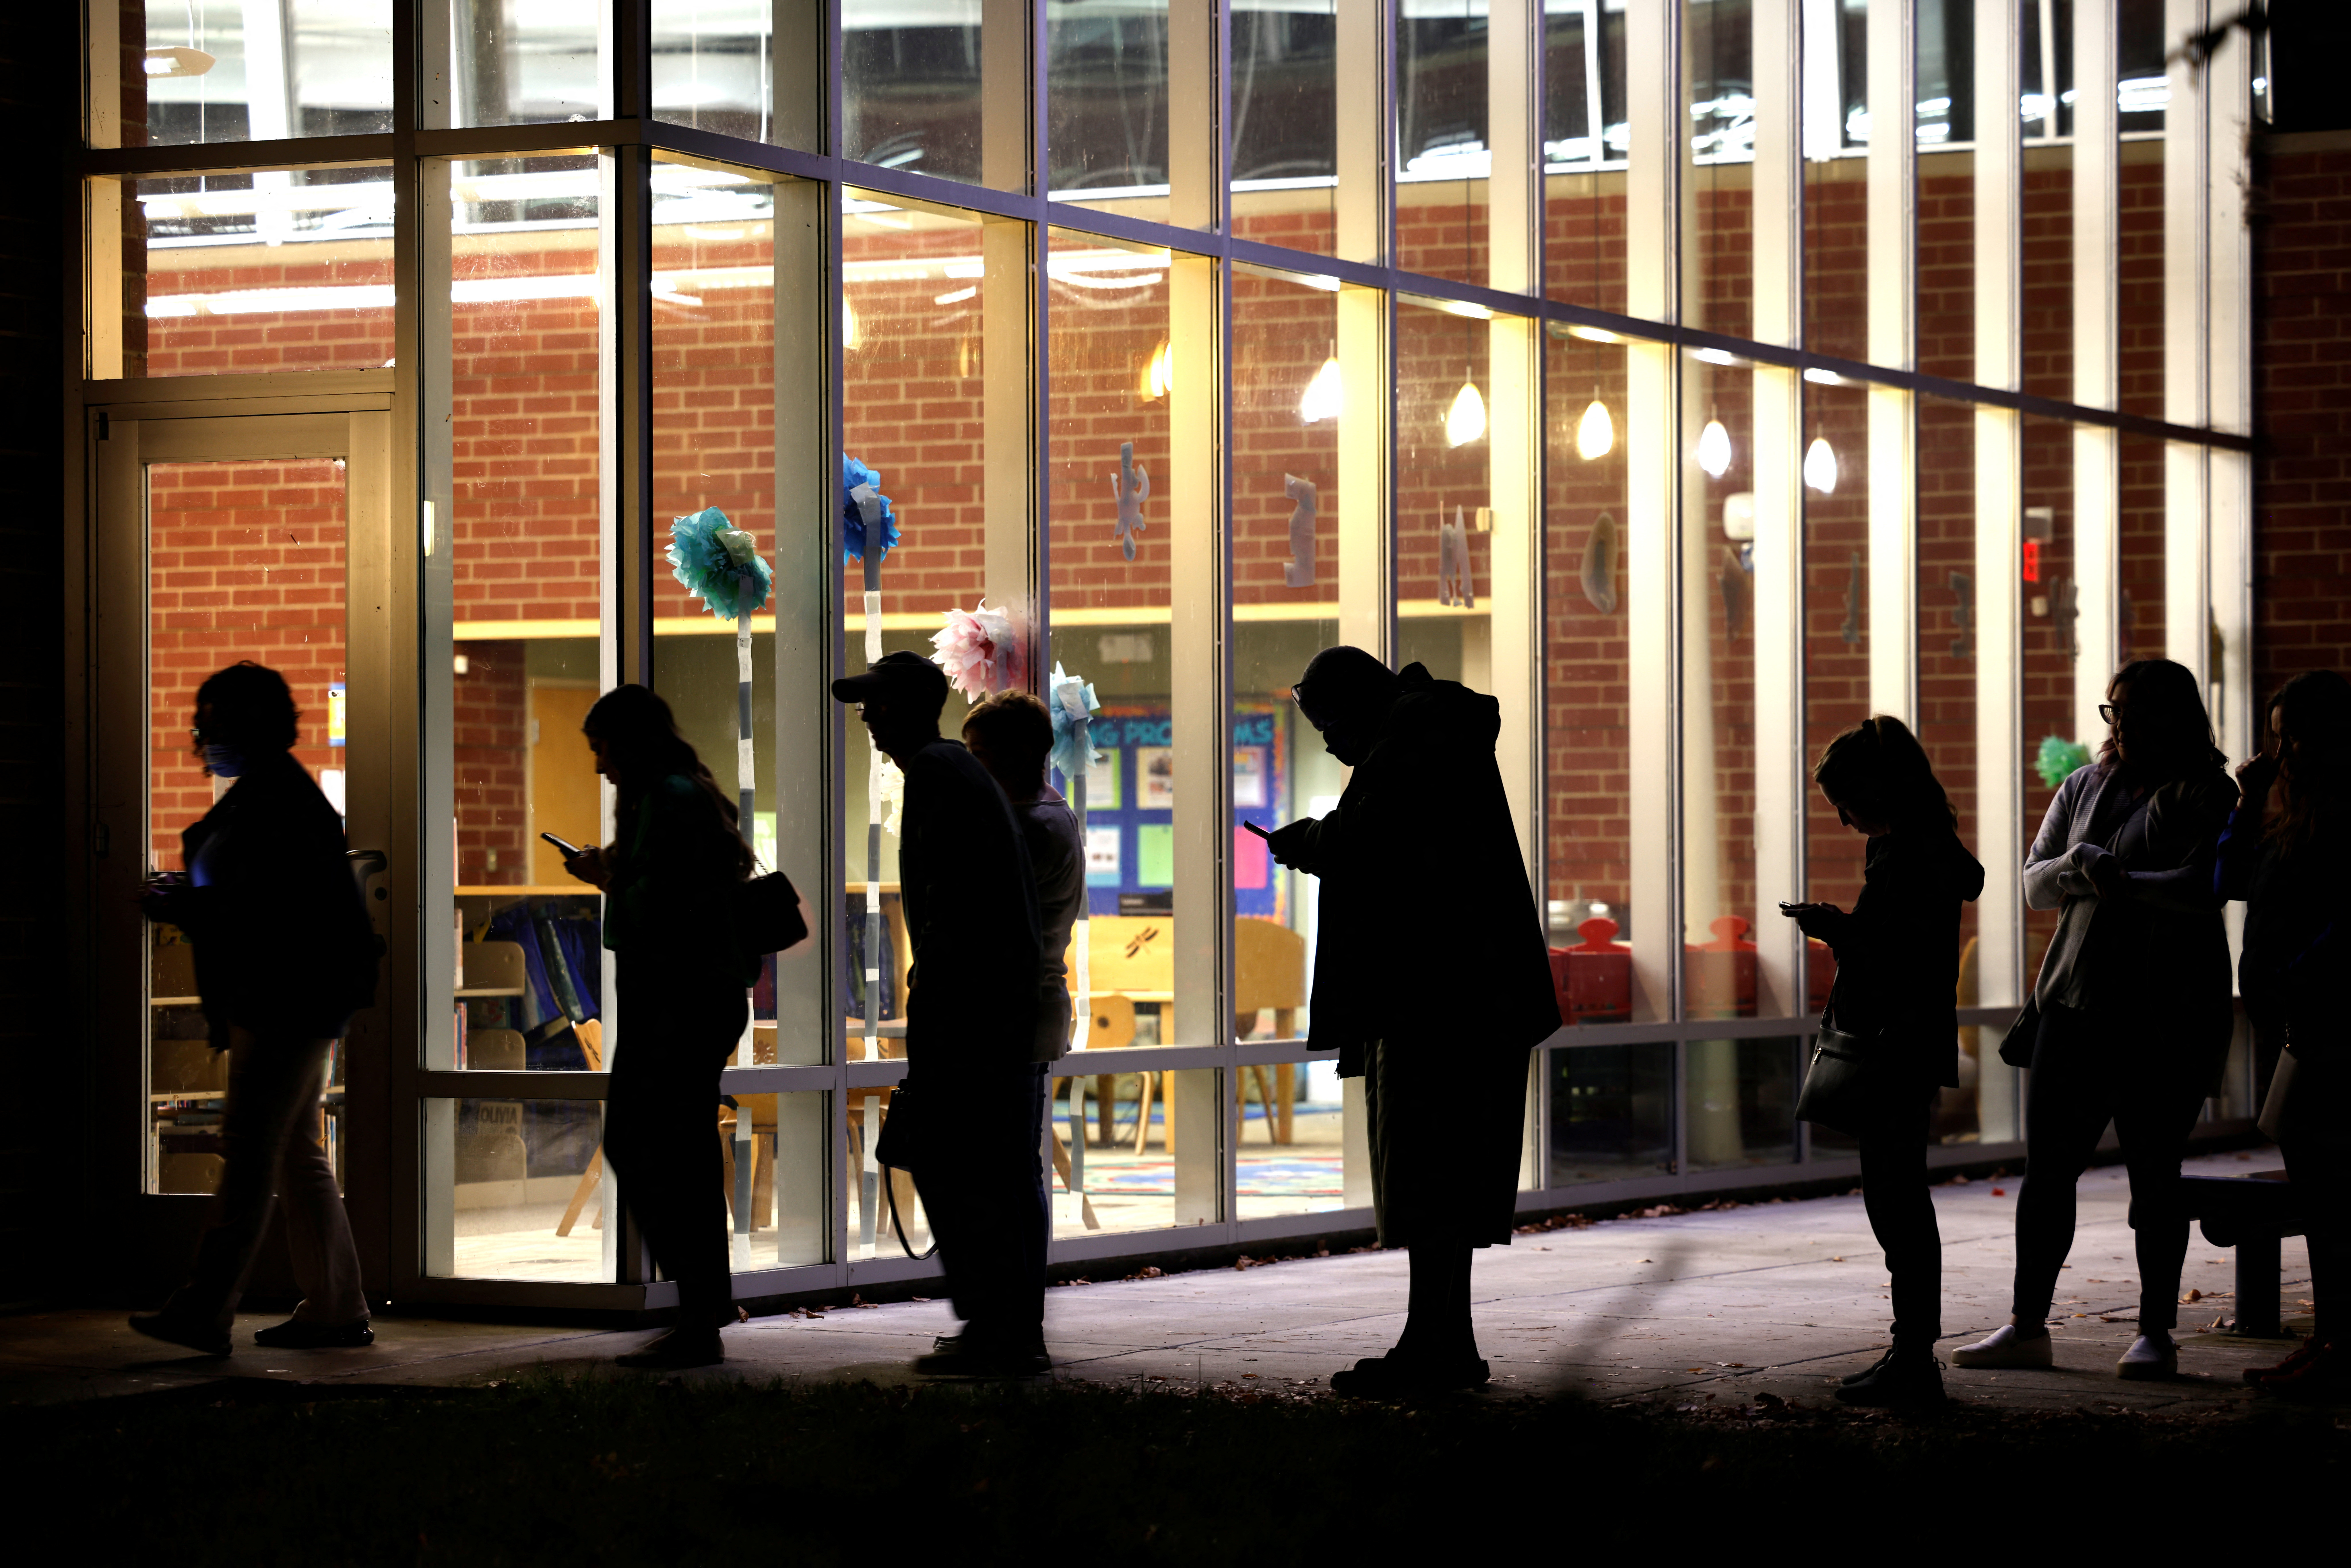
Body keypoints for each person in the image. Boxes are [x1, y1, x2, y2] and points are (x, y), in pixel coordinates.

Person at [1266, 647, 1561, 1398]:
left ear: (1357, 704)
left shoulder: (1414, 742)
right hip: (1462, 999)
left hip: (1436, 1004)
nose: (1328, 743)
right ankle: (1439, 1340)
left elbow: (1375, 846)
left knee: (1429, 1178)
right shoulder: (1435, 734)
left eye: (1327, 723)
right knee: (1441, 1184)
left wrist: (1306, 843)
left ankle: (1438, 1346)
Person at [1953, 658, 2238, 1379]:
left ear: (2179, 716)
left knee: (2155, 1174)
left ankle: (2154, 1330)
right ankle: (2026, 1323)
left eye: (2140, 710)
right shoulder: (2083, 784)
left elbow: (2205, 886)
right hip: (2074, 1006)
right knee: (2047, 1171)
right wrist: (2084, 865)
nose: (2123, 725)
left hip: (2164, 1014)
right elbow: (2032, 881)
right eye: (2114, 711)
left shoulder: (2208, 791)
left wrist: (2118, 881)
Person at [131, 663, 378, 1356]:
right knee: (296, 1150)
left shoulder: (274, 803)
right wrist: (198, 895)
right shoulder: (274, 796)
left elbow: (270, 909)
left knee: (248, 1150)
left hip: (281, 1002)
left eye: (211, 719)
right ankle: (337, 1304)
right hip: (293, 1000)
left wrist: (189, 903)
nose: (200, 734)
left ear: (246, 724)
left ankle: (205, 1308)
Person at [833, 652, 1047, 1375]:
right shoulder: (958, 771)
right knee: (990, 1170)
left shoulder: (934, 774)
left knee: (964, 1169)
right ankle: (1007, 1327)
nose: (864, 717)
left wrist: (935, 1014)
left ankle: (997, 1330)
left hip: (968, 1012)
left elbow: (950, 907)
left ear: (902, 710)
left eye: (874, 704)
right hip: (987, 1007)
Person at [1781, 717, 1984, 1406]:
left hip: (1893, 1041)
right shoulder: (1935, 847)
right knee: (1902, 1198)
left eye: (1848, 799)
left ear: (1880, 789)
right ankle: (1910, 1349)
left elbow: (1891, 956)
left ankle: (1912, 1354)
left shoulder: (1904, 855)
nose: (1843, 817)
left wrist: (1836, 928)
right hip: (1917, 1040)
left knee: (1895, 1201)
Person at [559, 684, 760, 1370]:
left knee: (649, 1145)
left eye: (604, 748)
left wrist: (606, 879)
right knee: (680, 1152)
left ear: (632, 741)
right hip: (692, 995)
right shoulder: (677, 793)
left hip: (682, 997)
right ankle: (702, 1305)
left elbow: (669, 901)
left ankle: (699, 1309)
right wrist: (610, 870)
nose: (599, 765)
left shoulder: (669, 797)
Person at [2216, 669, 2351, 1399]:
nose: (2285, 752)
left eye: (2294, 735)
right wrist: (2247, 799)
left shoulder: (2345, 814)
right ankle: (2331, 1336)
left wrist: (2300, 977)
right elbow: (2226, 882)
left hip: (2327, 1025)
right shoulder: (2283, 811)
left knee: (2335, 1192)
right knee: (2317, 1191)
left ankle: (2340, 1340)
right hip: (2288, 1021)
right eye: (2276, 738)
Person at [963, 692, 1086, 1061]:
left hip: (1014, 1015)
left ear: (1021, 753)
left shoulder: (1030, 826)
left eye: (980, 753)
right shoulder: (1046, 810)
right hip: (1027, 1011)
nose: (972, 766)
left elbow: (981, 919)